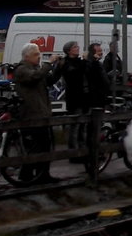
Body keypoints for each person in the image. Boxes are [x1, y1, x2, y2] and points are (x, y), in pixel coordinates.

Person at [14, 42, 62, 183]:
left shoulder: (36, 69)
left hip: (41, 112)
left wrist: (58, 68)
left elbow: (49, 80)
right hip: (31, 113)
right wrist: (49, 63)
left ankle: (42, 174)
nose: (39, 57)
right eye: (36, 54)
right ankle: (27, 175)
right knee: (34, 147)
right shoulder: (22, 70)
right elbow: (35, 77)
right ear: (27, 56)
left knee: (44, 145)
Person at [58, 41, 88, 157]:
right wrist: (85, 61)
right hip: (74, 98)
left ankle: (81, 150)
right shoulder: (66, 63)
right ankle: (73, 152)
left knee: (82, 127)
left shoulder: (79, 62)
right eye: (75, 47)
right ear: (69, 50)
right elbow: (75, 75)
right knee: (74, 126)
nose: (78, 48)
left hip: (83, 97)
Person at [85, 42, 110, 109]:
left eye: (101, 50)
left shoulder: (99, 63)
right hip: (94, 98)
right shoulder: (89, 64)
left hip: (101, 97)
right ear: (93, 53)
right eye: (99, 51)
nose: (101, 53)